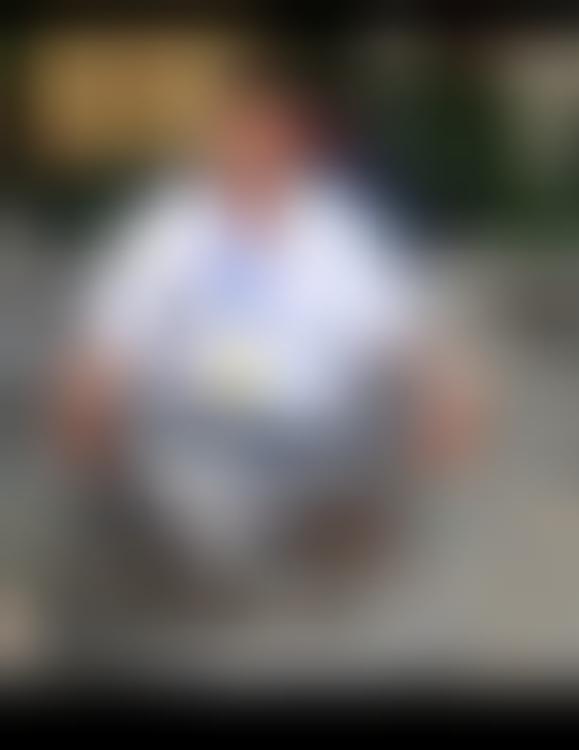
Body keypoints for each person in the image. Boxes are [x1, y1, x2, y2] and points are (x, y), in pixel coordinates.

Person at [51, 47, 481, 623]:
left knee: (355, 500)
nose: (254, 152)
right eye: (240, 136)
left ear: (299, 150)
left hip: (316, 441)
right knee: (178, 541)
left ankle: (322, 540)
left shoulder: (339, 231)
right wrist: (87, 402)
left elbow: (405, 332)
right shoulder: (168, 227)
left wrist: (444, 395)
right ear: (215, 143)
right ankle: (196, 563)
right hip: (193, 435)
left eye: (272, 139)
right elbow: (110, 336)